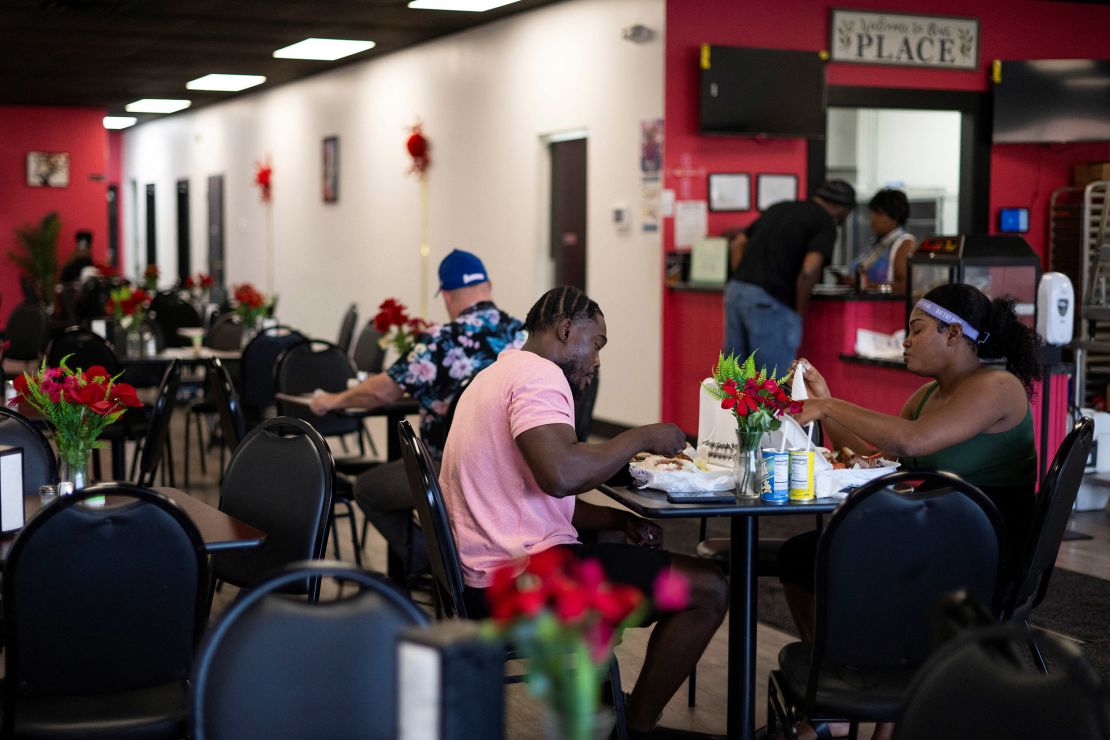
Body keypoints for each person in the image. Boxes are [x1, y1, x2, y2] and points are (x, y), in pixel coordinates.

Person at [441, 286, 729, 740]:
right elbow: (560, 474)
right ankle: (633, 728)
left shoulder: (494, 374)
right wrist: (639, 437)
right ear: (565, 328)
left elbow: (530, 495)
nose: (596, 359)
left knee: (614, 543)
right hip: (519, 584)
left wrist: (617, 520)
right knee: (709, 587)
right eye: (596, 344)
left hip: (482, 576)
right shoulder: (539, 377)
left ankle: (603, 709)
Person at [778, 282, 1042, 740]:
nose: (905, 340)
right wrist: (826, 406)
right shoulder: (927, 397)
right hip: (941, 536)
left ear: (954, 334)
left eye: (917, 330)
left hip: (985, 550)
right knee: (804, 556)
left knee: (844, 562)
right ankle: (844, 686)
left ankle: (841, 706)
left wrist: (827, 405)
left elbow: (912, 442)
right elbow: (879, 459)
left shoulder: (998, 386)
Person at [310, 249, 525, 577]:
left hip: (451, 469)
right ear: (488, 285)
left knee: (367, 488)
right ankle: (452, 562)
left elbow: (382, 390)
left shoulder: (442, 340)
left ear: (448, 296)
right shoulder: (523, 336)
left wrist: (332, 400)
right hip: (514, 471)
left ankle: (436, 564)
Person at [724, 179, 856, 375]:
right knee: (771, 381)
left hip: (736, 292)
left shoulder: (780, 207)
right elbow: (809, 270)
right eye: (847, 212)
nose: (846, 218)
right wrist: (798, 311)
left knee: (734, 377)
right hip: (771, 302)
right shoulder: (824, 221)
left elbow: (737, 244)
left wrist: (743, 277)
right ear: (838, 206)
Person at [850, 189, 916, 294]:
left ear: (895, 216)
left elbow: (906, 286)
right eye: (872, 213)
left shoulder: (904, 243)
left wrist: (868, 286)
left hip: (886, 306)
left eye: (878, 213)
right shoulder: (876, 244)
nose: (873, 219)